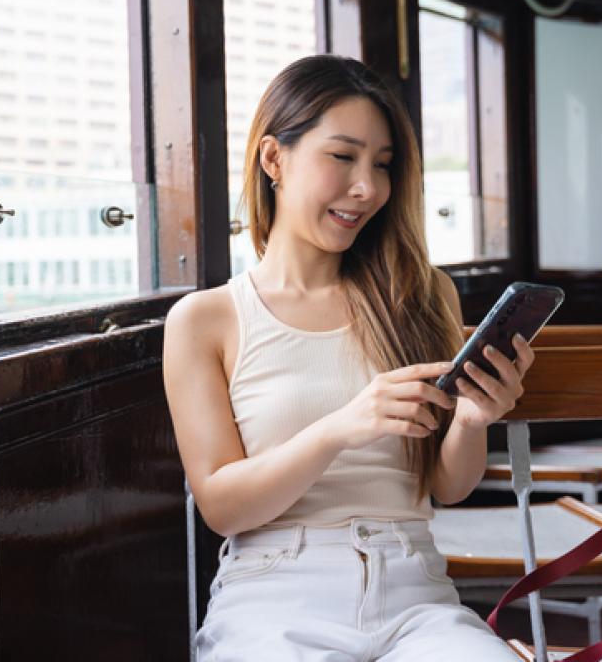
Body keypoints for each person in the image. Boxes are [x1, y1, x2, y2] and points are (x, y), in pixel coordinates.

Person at [162, 54, 535, 660]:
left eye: (383, 165)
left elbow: (447, 484)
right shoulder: (207, 320)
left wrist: (472, 420)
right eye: (343, 157)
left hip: (417, 594)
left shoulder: (420, 293)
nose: (368, 188)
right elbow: (223, 507)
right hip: (276, 594)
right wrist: (341, 426)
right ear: (273, 158)